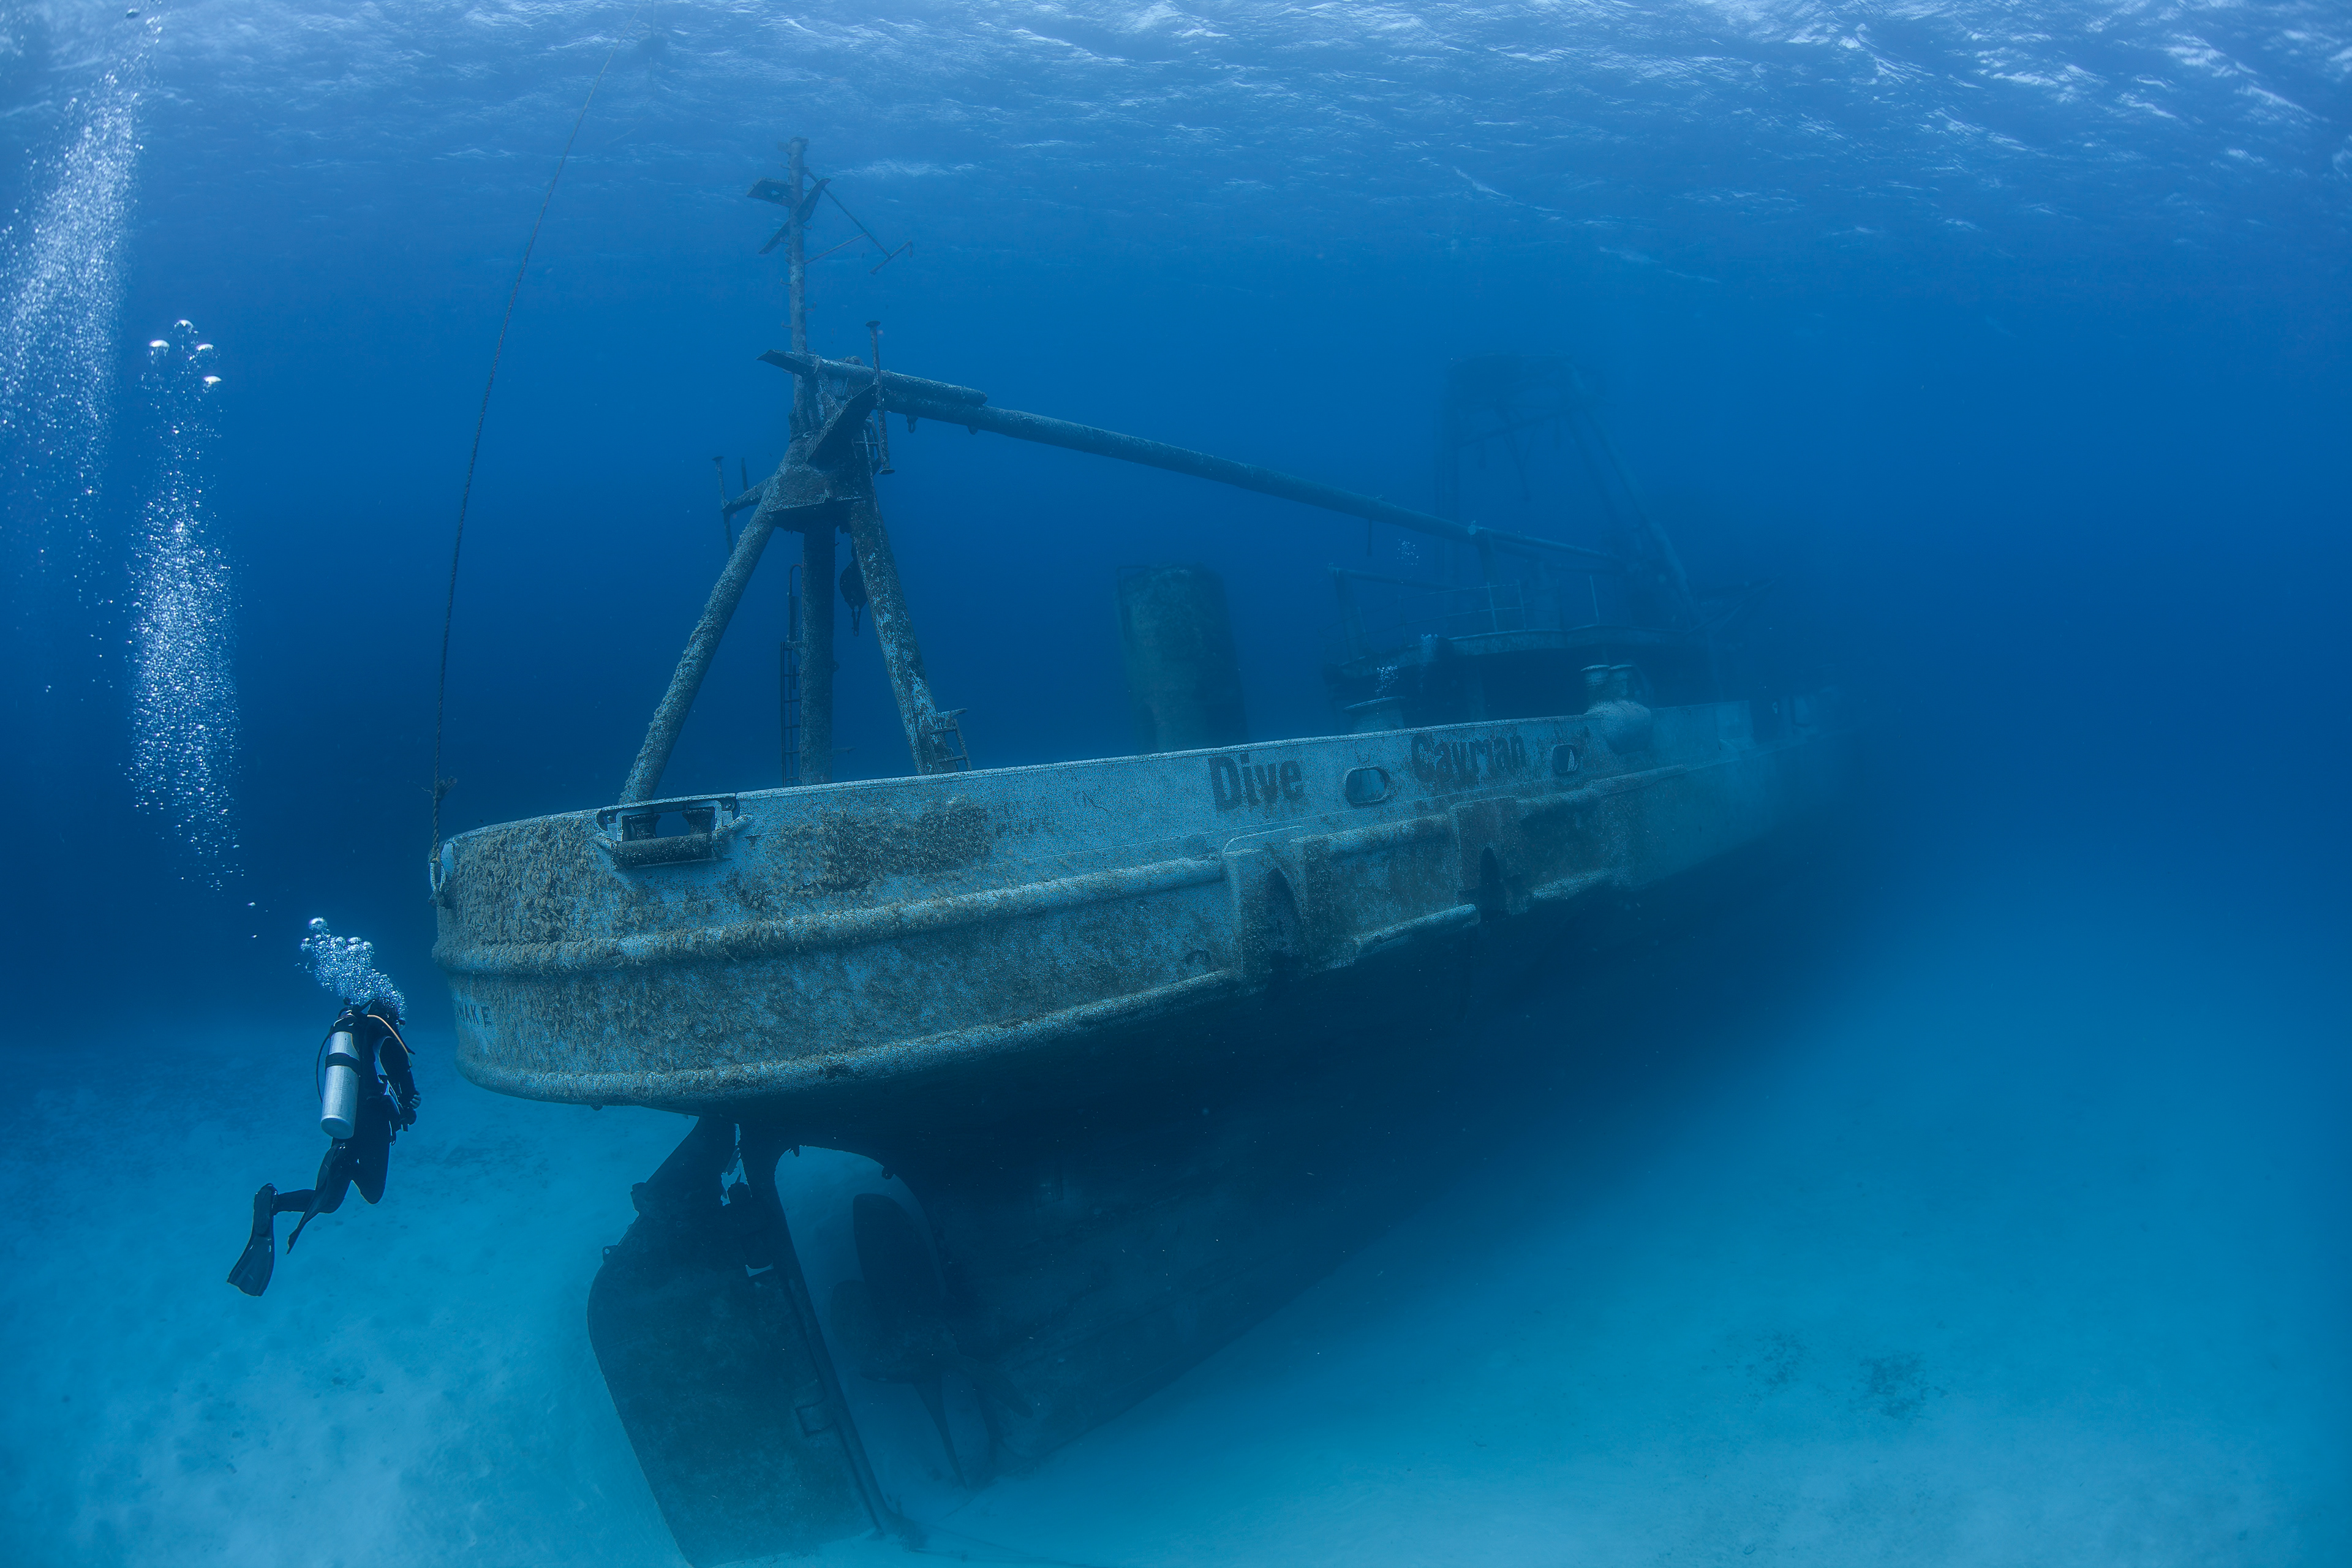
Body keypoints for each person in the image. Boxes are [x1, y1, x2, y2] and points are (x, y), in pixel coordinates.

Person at [227, 999, 419, 1297]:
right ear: (393, 1017)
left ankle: (273, 1202)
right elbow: (401, 1093)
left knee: (329, 1202)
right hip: (372, 1126)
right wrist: (407, 1110)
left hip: (348, 1122)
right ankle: (343, 1164)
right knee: (373, 1193)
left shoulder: (357, 1036)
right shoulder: (386, 1034)